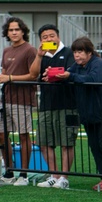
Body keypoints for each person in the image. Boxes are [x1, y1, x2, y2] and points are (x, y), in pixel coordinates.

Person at [60, 37, 102, 191]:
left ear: (89, 52)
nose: (76, 55)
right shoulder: (78, 66)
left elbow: (93, 79)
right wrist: (55, 77)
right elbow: (68, 75)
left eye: (80, 51)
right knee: (95, 147)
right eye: (74, 52)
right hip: (87, 114)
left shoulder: (98, 63)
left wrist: (70, 76)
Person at [0, 17, 38, 186]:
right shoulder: (6, 51)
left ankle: (23, 174)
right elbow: (4, 72)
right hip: (5, 98)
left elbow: (32, 75)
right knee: (1, 134)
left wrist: (10, 78)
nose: (14, 32)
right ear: (7, 33)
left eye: (17, 29)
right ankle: (9, 171)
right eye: (11, 30)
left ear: (23, 31)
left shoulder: (30, 50)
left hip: (23, 99)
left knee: (24, 135)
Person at [33, 24, 77, 189]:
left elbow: (70, 72)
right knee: (44, 142)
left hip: (68, 104)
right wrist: (38, 56)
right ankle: (54, 175)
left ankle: (64, 178)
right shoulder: (42, 55)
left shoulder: (69, 53)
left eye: (52, 36)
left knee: (67, 142)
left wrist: (52, 74)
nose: (49, 39)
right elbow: (33, 74)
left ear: (58, 36)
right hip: (45, 105)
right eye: (45, 37)